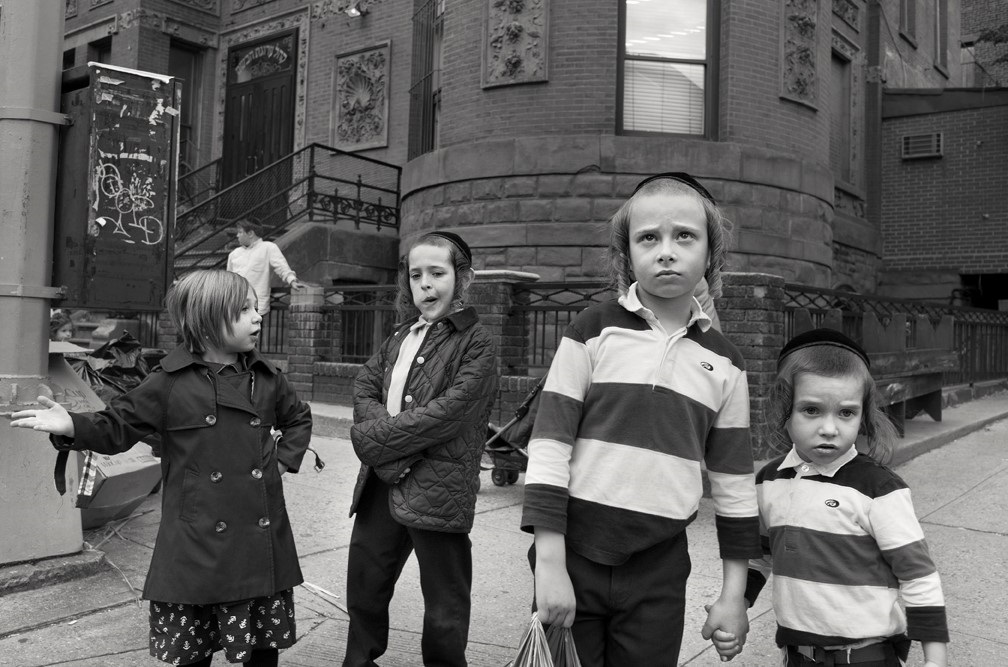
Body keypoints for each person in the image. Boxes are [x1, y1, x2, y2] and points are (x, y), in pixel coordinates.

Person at [12, 269, 313, 667]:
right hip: (195, 536)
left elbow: (299, 418)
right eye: (244, 310)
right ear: (206, 321)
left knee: (260, 647)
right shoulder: (168, 382)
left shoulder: (267, 378)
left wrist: (281, 462)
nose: (258, 318)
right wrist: (71, 424)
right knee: (194, 645)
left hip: (257, 533)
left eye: (256, 309)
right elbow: (117, 427)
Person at [520, 172, 761, 665]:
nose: (666, 250)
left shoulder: (727, 364)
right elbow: (549, 445)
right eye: (648, 237)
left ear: (710, 253)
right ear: (625, 253)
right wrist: (549, 563)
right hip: (572, 555)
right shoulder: (592, 330)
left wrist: (733, 595)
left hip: (660, 565)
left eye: (684, 236)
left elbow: (735, 486)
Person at [740, 328, 949, 667]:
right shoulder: (769, 481)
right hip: (799, 656)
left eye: (846, 413)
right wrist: (737, 604)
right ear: (784, 411)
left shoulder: (879, 489)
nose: (829, 428)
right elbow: (759, 555)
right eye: (811, 410)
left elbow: (918, 576)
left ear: (863, 415)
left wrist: (935, 658)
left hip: (868, 656)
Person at [343, 231, 498, 667]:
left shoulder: (477, 342)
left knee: (445, 602)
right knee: (366, 583)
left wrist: (373, 440)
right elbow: (364, 386)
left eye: (437, 273)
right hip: (380, 484)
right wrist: (382, 439)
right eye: (416, 275)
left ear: (463, 278)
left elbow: (449, 414)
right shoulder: (400, 335)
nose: (425, 284)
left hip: (437, 487)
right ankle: (358, 662)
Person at [226, 218, 304, 316]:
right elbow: (228, 280)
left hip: (256, 308)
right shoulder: (234, 254)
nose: (237, 235)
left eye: (240, 232)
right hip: (235, 307)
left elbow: (281, 266)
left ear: (250, 233)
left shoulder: (268, 248)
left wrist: (292, 280)